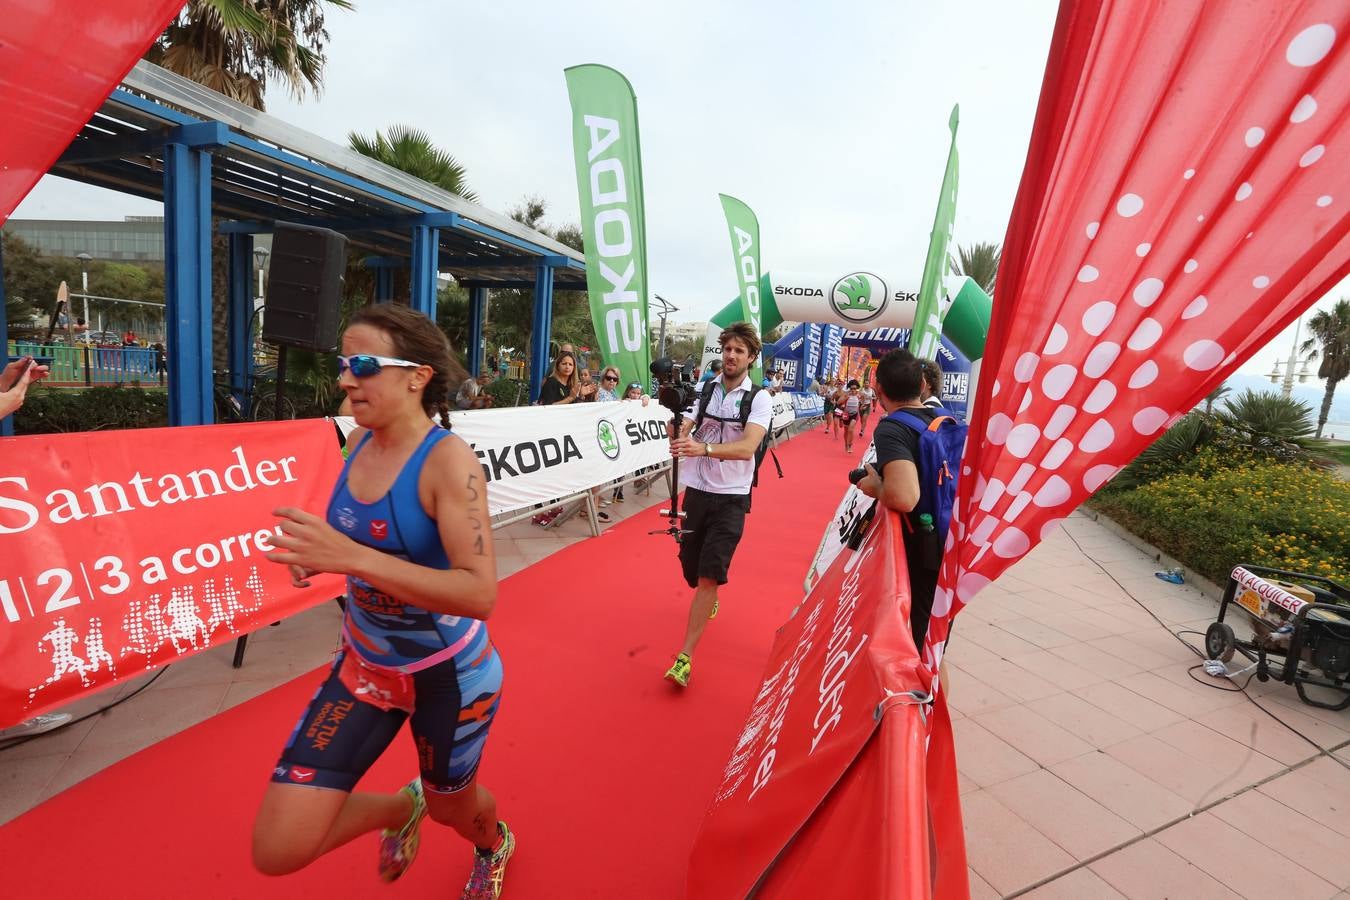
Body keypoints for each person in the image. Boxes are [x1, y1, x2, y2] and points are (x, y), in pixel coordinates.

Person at [252, 304, 515, 899]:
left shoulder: (450, 462)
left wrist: (351, 559)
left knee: (453, 810)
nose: (346, 378)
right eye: (345, 364)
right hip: (365, 667)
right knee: (278, 848)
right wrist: (318, 552)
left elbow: (479, 593)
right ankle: (400, 809)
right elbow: (369, 537)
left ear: (417, 376)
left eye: (364, 365)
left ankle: (493, 843)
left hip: (447, 677)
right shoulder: (358, 438)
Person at [664, 322, 772, 688]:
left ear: (751, 358)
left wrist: (704, 448)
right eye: (727, 348)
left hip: (732, 498)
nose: (731, 355)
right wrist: (677, 434)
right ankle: (705, 597)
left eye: (740, 350)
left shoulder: (760, 398)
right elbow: (686, 425)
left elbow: (746, 448)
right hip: (696, 490)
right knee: (690, 570)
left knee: (709, 576)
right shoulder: (706, 388)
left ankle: (685, 657)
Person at [854, 349, 945, 651]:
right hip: (948, 542)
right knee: (934, 645)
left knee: (914, 647)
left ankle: (919, 699)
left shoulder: (894, 427)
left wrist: (877, 487)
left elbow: (904, 496)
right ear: (922, 384)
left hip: (920, 553)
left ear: (878, 389)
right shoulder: (942, 418)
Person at [838, 380, 862, 454]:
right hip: (846, 415)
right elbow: (838, 402)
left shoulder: (859, 394)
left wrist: (862, 406)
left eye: (855, 388)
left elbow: (863, 399)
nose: (853, 390)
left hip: (854, 414)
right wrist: (846, 398)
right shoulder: (846, 394)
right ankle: (846, 444)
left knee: (851, 430)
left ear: (857, 388)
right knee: (846, 431)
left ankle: (850, 445)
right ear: (849, 388)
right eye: (851, 388)